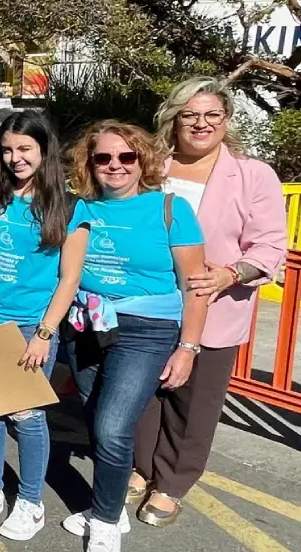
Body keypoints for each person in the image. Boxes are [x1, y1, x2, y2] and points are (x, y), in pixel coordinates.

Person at [129, 78, 286, 527]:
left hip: (214, 304)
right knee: (143, 393)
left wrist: (230, 273)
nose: (200, 124)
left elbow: (270, 246)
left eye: (211, 115)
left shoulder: (253, 175)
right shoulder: (152, 166)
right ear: (174, 121)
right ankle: (142, 466)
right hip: (150, 302)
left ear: (226, 121)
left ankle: (174, 481)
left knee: (194, 401)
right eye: (190, 115)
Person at [59, 122, 209, 552]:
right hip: (86, 323)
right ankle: (110, 506)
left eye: (126, 157)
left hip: (147, 329)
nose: (115, 166)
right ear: (90, 164)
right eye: (103, 157)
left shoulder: (170, 209)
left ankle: (105, 520)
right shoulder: (80, 208)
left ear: (142, 160)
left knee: (112, 425)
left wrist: (188, 348)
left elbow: (195, 285)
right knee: (94, 418)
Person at [0, 111, 89, 541]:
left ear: (44, 150)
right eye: (7, 150)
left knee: (27, 415)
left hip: (29, 326)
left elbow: (69, 278)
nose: (14, 158)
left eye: (24, 149)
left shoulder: (68, 206)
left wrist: (46, 333)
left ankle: (30, 501)